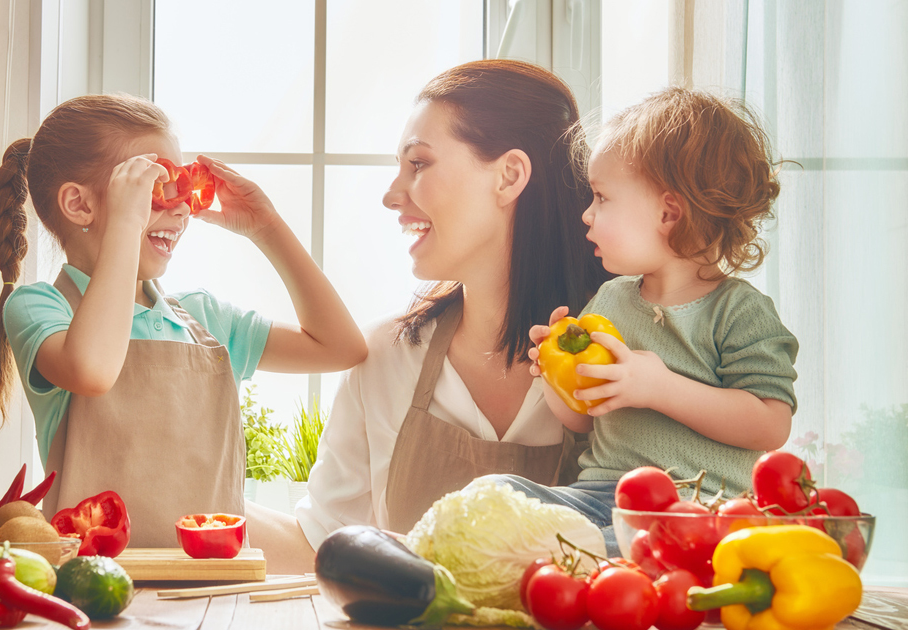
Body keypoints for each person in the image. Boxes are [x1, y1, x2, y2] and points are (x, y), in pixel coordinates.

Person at [247, 60, 611, 571]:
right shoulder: (382, 357)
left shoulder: (622, 356)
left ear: (509, 176)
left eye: (418, 164)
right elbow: (321, 545)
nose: (391, 195)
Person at [0, 94, 367, 547]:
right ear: (80, 205)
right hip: (99, 583)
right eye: (156, 189)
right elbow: (93, 370)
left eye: (185, 187)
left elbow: (341, 347)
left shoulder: (203, 319)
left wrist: (267, 227)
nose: (181, 209)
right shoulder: (39, 307)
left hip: (212, 580)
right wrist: (126, 221)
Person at [504, 87, 798, 551]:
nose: (587, 213)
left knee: (610, 548)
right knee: (500, 493)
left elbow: (770, 424)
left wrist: (661, 387)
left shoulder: (739, 311)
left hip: (701, 509)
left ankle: (572, 564)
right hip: (604, 495)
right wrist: (553, 373)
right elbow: (581, 421)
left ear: (668, 212)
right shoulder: (610, 300)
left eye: (601, 197)